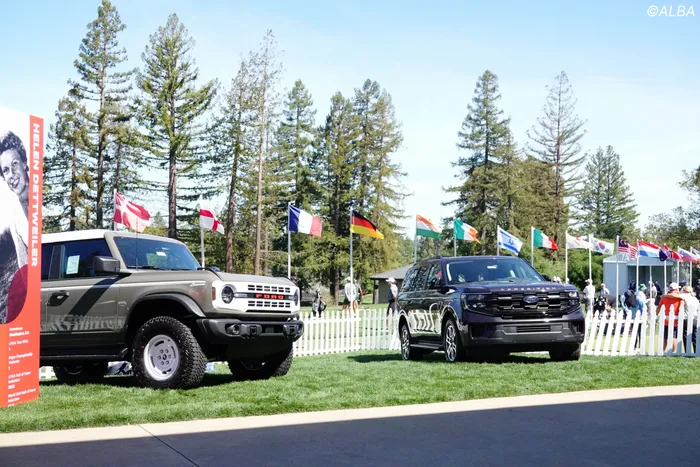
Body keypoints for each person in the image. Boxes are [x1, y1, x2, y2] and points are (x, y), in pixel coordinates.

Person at [0, 131, 29, 217]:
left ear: (24, 163)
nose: (11, 174)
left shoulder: (45, 197)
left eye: (14, 164)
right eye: (6, 170)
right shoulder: (12, 215)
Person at [656, 282, 684, 352]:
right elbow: (681, 308)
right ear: (676, 289)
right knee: (673, 337)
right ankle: (673, 351)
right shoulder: (680, 298)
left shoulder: (664, 297)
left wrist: (656, 315)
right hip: (675, 320)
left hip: (666, 319)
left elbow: (659, 307)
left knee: (665, 337)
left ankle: (662, 351)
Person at [681, 285, 699, 353]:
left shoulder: (683, 295)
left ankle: (687, 351)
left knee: (685, 335)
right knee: (695, 336)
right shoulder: (695, 299)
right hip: (695, 318)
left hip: (686, 318)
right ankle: (696, 351)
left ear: (684, 290)